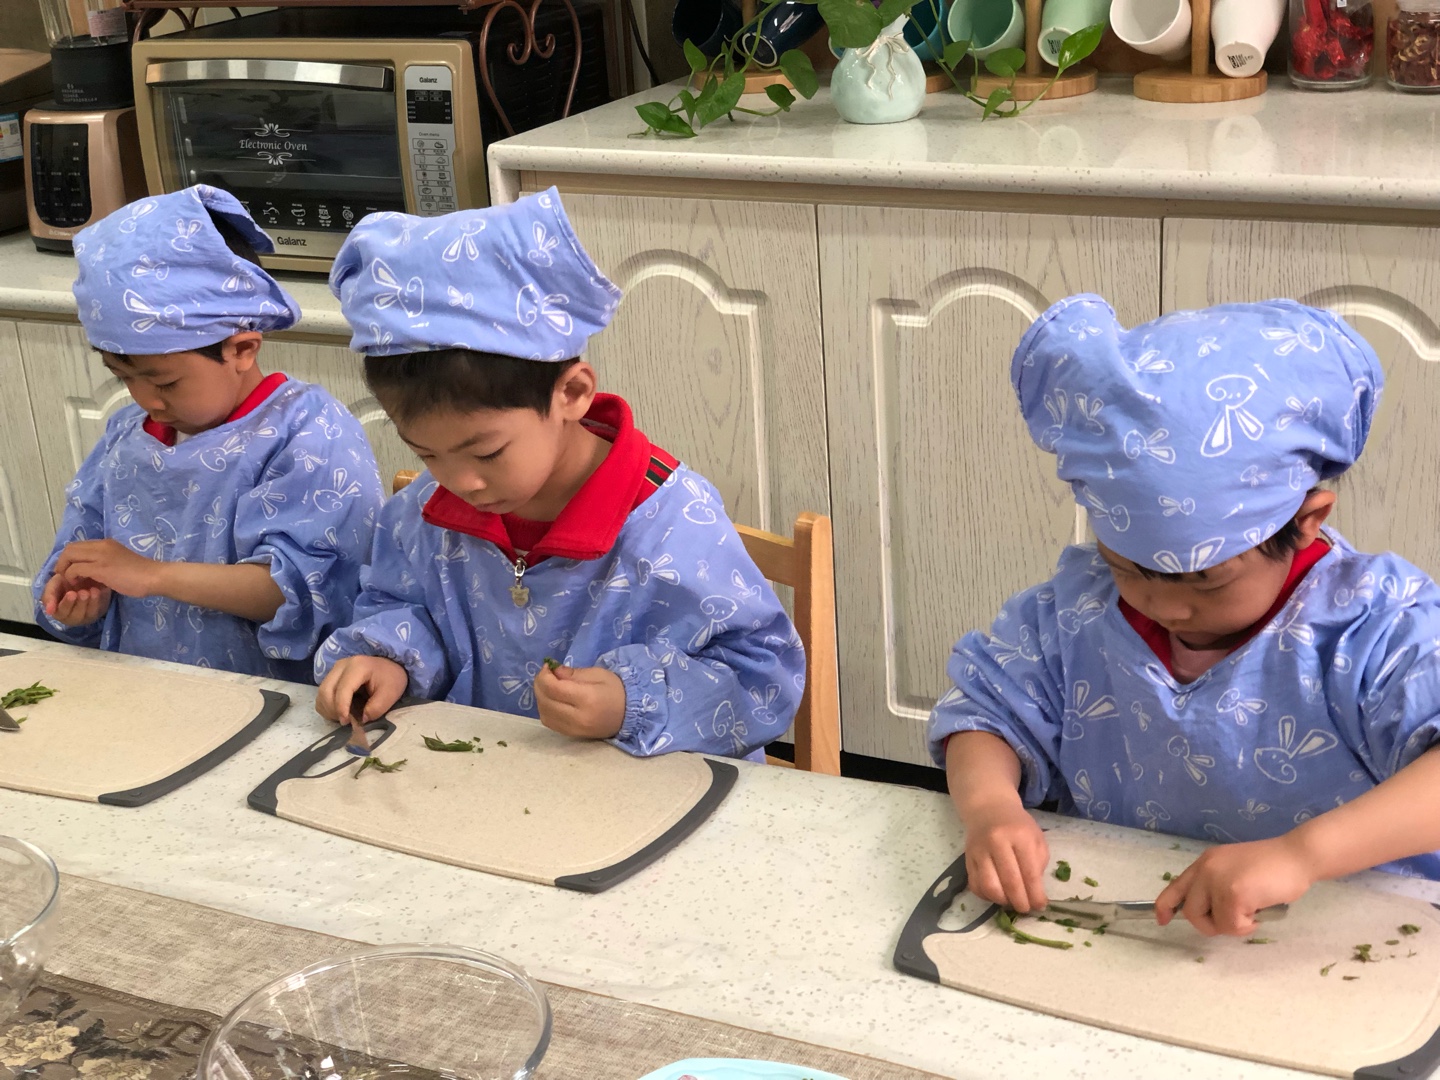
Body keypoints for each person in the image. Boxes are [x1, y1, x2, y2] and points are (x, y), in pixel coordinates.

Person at [929, 294, 1440, 937]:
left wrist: (1302, 855)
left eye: (1206, 579)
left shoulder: (1375, 625)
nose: (1165, 606)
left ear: (1307, 522)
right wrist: (990, 808)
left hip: (1353, 933)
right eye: (1128, 567)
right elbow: (986, 714)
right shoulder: (1078, 609)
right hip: (1143, 927)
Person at [313, 188, 805, 759]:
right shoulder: (422, 513)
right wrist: (388, 658)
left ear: (571, 393)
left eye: (487, 453)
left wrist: (633, 702)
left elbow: (760, 675)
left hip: (641, 795)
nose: (460, 483)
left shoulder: (672, 525)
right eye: (427, 454)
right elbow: (398, 605)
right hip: (481, 784)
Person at [33, 185, 384, 682]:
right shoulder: (125, 436)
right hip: (145, 687)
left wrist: (152, 575)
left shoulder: (308, 432)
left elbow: (302, 594)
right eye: (123, 376)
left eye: (164, 382)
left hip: (267, 698)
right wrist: (79, 598)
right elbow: (80, 557)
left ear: (241, 349)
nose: (146, 400)